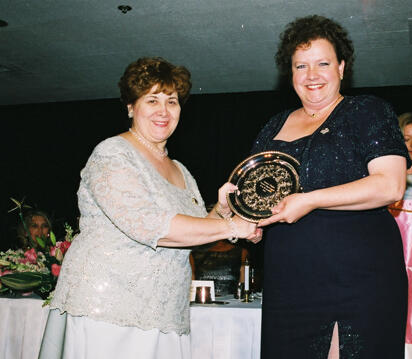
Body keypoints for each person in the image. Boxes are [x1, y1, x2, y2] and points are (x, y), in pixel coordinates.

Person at [39, 57, 260, 359]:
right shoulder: (112, 154)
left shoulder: (181, 170)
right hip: (109, 307)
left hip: (164, 311)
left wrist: (221, 212)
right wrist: (233, 227)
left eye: (172, 101)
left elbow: (192, 234)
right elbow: (150, 225)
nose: (163, 111)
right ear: (131, 106)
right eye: (152, 99)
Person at [251, 15, 411, 358]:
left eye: (322, 63)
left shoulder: (367, 111)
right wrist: (231, 208)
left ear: (341, 67)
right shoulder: (272, 126)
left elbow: (390, 186)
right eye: (301, 66)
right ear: (290, 74)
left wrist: (309, 200)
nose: (312, 75)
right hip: (288, 281)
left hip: (359, 275)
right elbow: (258, 196)